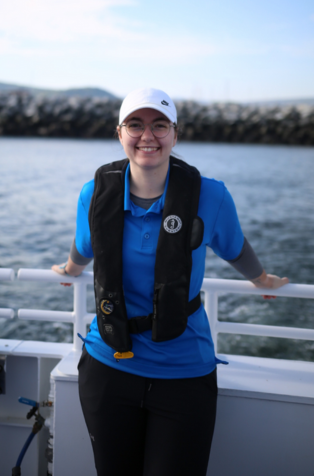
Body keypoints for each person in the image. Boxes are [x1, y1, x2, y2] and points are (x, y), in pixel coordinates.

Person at [52, 88, 289, 476]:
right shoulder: (95, 193)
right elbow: (84, 245)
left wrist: (262, 278)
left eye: (159, 125)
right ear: (119, 133)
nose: (148, 136)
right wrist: (70, 269)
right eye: (136, 125)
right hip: (108, 366)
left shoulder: (209, 195)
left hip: (184, 372)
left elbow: (234, 246)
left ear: (175, 134)